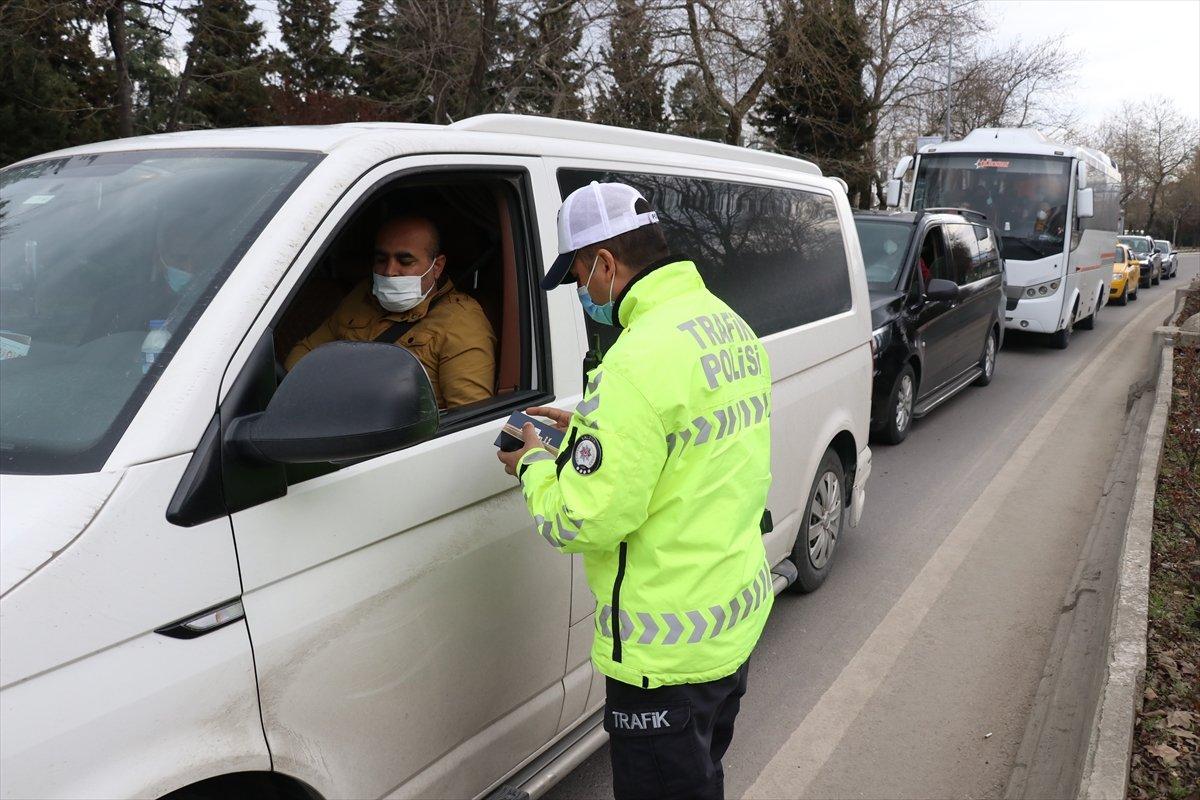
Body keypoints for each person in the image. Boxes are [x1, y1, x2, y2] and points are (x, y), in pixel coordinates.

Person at [497, 182, 774, 800]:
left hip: (663, 659)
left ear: (605, 263)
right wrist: (589, 432)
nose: (582, 292)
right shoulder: (725, 326)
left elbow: (582, 520)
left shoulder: (634, 361)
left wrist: (535, 467)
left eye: (577, 276)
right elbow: (686, 454)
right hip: (729, 625)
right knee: (701, 780)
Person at [285, 215, 496, 409]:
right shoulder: (363, 295)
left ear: (437, 266)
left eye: (405, 261)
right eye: (381, 259)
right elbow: (304, 352)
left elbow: (469, 417)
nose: (389, 271)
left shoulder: (461, 321)